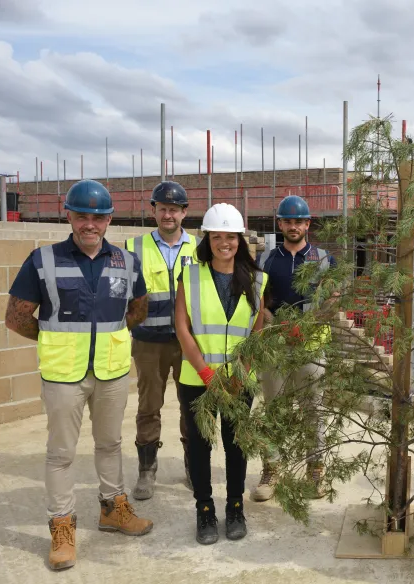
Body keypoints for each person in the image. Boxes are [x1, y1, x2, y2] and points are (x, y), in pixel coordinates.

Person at [5, 179, 154, 571]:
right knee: (61, 454)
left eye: (98, 217)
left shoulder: (126, 262)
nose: (90, 224)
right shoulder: (44, 260)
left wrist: (113, 335)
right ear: (68, 215)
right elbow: (16, 317)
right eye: (82, 215)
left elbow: (138, 309)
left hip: (112, 372)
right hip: (63, 376)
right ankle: (61, 526)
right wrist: (54, 339)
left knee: (109, 444)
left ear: (108, 220)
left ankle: (113, 509)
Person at [175, 203, 267, 545]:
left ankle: (235, 507)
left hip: (238, 382)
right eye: (217, 236)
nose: (224, 243)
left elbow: (256, 332)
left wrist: (240, 375)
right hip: (197, 379)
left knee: (235, 445)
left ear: (240, 240)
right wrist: (206, 374)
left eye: (231, 237)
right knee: (199, 447)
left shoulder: (258, 279)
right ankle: (204, 511)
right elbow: (182, 327)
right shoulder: (190, 274)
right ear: (207, 239)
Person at [251, 195, 336, 502]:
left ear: (307, 224)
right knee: (274, 410)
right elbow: (258, 301)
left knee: (315, 410)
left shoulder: (324, 258)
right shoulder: (266, 260)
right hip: (275, 346)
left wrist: (308, 324)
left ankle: (316, 471)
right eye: (288, 221)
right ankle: (271, 470)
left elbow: (332, 298)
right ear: (280, 224)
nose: (293, 226)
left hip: (311, 347)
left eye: (299, 221)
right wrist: (276, 324)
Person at [125, 181, 199, 498]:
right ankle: (147, 470)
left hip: (188, 343)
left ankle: (194, 466)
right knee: (148, 406)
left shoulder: (199, 248)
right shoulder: (133, 247)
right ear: (153, 209)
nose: (168, 214)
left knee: (192, 406)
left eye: (174, 209)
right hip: (148, 342)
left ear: (184, 212)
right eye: (162, 208)